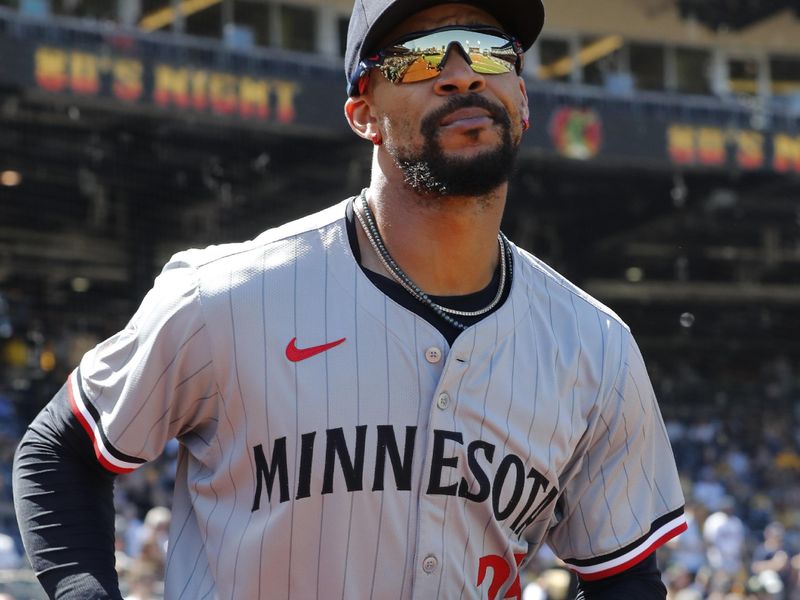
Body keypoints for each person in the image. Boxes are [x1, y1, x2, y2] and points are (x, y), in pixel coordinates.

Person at [13, 0, 687, 598]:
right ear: (362, 112)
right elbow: (59, 451)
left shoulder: (596, 346)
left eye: (488, 50)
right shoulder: (229, 295)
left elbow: (624, 575)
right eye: (422, 57)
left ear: (523, 99)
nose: (462, 73)